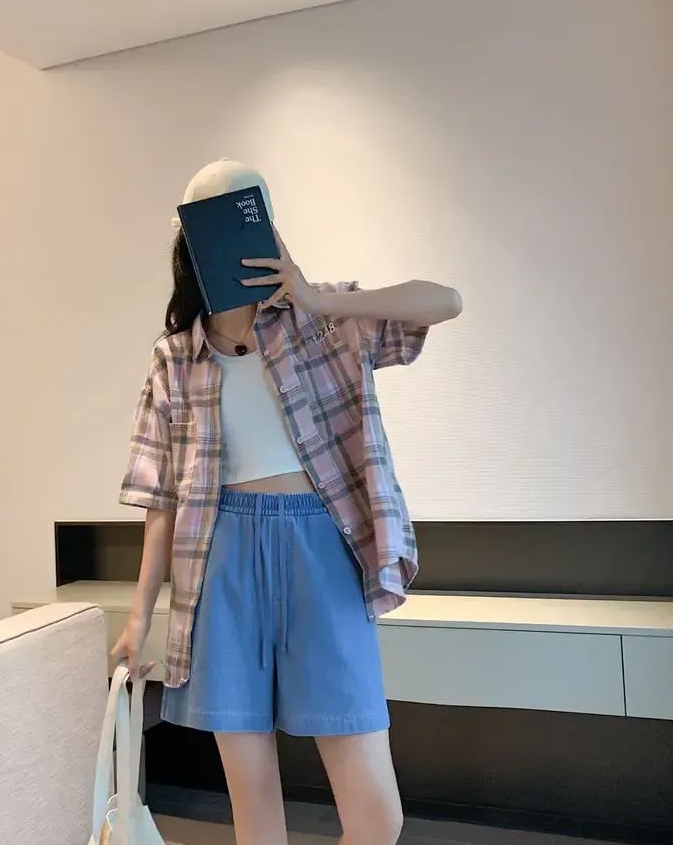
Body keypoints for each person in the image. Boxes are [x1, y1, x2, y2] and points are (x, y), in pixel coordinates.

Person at [113, 159, 462, 845]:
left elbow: (445, 301)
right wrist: (138, 617)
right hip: (220, 561)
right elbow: (161, 500)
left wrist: (317, 298)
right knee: (254, 810)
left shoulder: (322, 320)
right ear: (191, 242)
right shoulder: (174, 357)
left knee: (378, 816)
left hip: (321, 551)